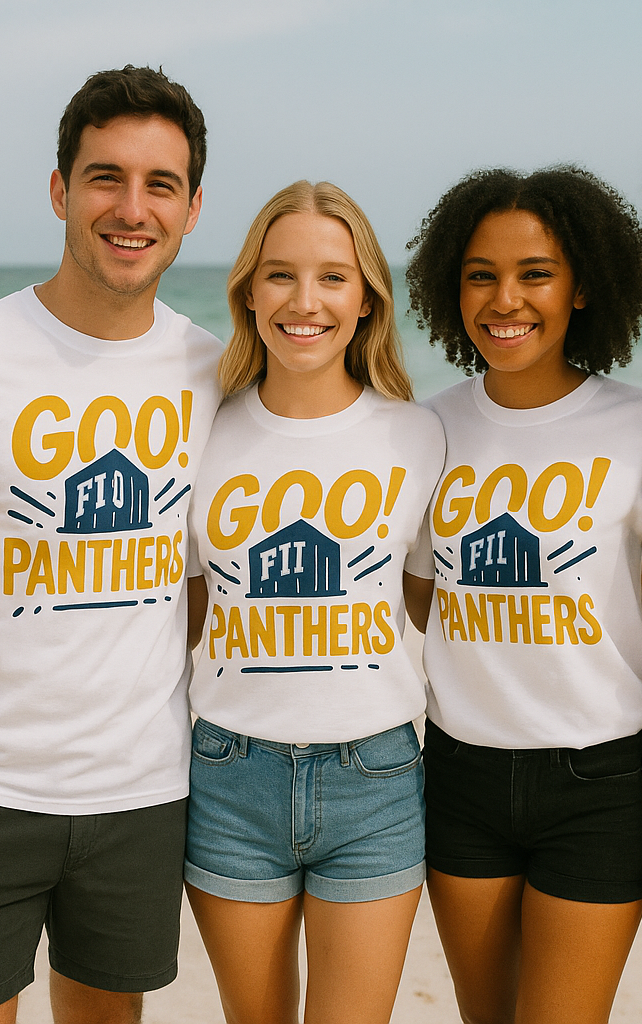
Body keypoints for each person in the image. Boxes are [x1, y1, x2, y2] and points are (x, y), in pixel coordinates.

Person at [0, 66, 223, 1023]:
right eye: (104, 178)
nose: (132, 209)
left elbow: (205, 584)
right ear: (59, 190)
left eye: (160, 184)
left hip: (143, 795)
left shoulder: (216, 370)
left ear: (194, 206)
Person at [184, 180, 445, 1024]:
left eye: (333, 277)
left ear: (367, 296)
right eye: (280, 275)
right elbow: (182, 612)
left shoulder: (420, 437)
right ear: (248, 291)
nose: (305, 301)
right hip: (229, 777)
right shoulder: (199, 434)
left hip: (375, 777)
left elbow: (431, 605)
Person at [403, 166, 642, 1024]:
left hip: (600, 780)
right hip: (460, 776)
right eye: (481, 274)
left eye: (535, 273)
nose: (505, 299)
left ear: (583, 286)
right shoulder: (427, 428)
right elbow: (416, 595)